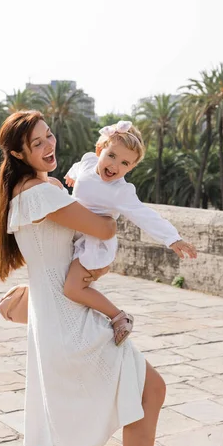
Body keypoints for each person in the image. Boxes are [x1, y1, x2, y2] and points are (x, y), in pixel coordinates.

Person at [0, 110, 167, 446]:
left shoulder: (26, 190)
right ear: (18, 153)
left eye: (49, 135)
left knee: (55, 423)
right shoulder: (42, 193)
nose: (48, 145)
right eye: (37, 142)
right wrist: (113, 215)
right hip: (70, 320)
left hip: (53, 321)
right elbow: (104, 229)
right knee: (149, 391)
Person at [63, 120, 197, 346]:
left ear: (131, 168)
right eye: (112, 156)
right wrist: (70, 175)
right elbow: (78, 167)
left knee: (72, 288)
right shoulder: (88, 162)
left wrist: (172, 238)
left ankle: (118, 317)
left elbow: (144, 214)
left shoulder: (121, 191)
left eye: (124, 163)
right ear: (99, 150)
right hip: (75, 233)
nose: (115, 166)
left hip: (93, 244)